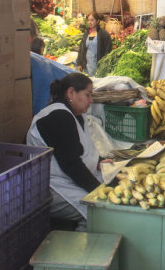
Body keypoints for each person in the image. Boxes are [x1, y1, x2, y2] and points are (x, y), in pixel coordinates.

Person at [26, 73, 104, 231]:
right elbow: (72, 165)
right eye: (87, 95)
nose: (91, 100)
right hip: (49, 186)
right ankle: (80, 250)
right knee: (96, 212)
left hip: (67, 180)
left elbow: (83, 146)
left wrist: (100, 161)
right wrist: (99, 192)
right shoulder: (58, 117)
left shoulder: (76, 115)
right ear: (71, 93)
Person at [77, 12, 112, 76]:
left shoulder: (103, 34)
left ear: (97, 21)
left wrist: (104, 65)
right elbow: (81, 48)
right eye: (88, 20)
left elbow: (108, 51)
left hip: (98, 66)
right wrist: (79, 63)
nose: (90, 22)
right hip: (87, 65)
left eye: (92, 20)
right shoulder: (86, 33)